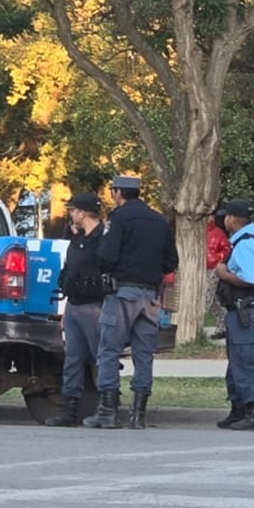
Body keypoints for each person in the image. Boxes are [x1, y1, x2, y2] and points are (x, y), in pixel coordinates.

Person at [84, 174, 179, 429]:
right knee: (144, 354)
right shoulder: (159, 221)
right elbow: (172, 262)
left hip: (122, 293)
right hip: (150, 297)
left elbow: (105, 255)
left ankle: (108, 410)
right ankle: (138, 414)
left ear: (118, 193)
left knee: (109, 350)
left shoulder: (119, 219)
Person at [43, 193, 106, 427]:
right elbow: (69, 272)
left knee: (101, 359)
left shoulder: (104, 240)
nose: (71, 214)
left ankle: (107, 407)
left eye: (73, 210)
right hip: (74, 305)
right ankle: (70, 410)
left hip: (95, 306)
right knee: (73, 359)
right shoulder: (77, 240)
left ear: (82, 212)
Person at [213, 198, 254, 431]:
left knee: (246, 362)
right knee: (238, 362)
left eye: (225, 217)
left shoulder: (246, 244)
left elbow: (249, 279)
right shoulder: (251, 239)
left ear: (231, 219)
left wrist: (223, 273)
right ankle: (239, 410)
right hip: (246, 312)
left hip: (246, 312)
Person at [204, 205, 233, 339]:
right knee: (214, 300)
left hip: (212, 268)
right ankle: (223, 325)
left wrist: (216, 260)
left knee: (206, 297)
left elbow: (226, 250)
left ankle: (220, 324)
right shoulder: (198, 232)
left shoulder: (217, 233)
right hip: (199, 268)